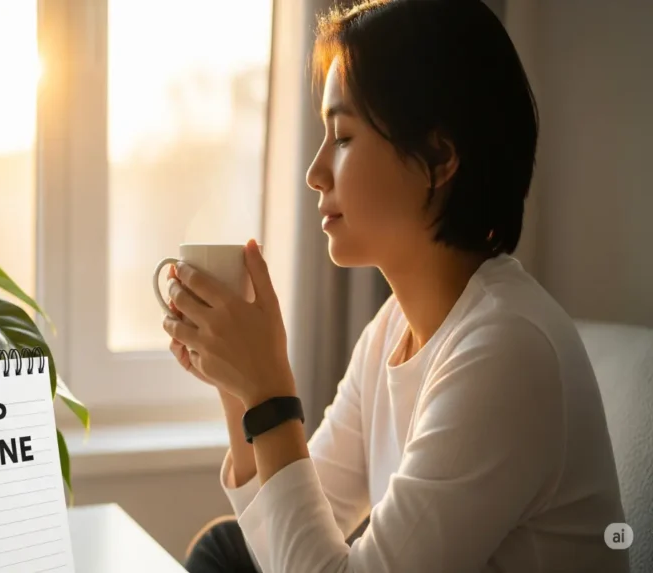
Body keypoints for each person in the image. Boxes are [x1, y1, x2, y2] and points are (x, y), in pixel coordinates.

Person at [162, 0, 629, 571]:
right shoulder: (392, 330)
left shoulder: (508, 350)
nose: (315, 172)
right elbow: (286, 541)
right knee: (224, 549)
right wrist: (238, 389)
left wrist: (270, 392)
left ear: (438, 158)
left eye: (342, 137)